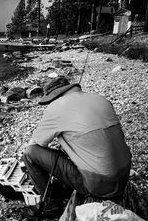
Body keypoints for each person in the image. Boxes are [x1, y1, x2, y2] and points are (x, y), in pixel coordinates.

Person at [22, 76, 132, 217]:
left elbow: (35, 144)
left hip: (99, 185)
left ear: (54, 96)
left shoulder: (56, 107)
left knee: (30, 154)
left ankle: (50, 206)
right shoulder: (100, 99)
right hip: (124, 174)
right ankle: (64, 188)